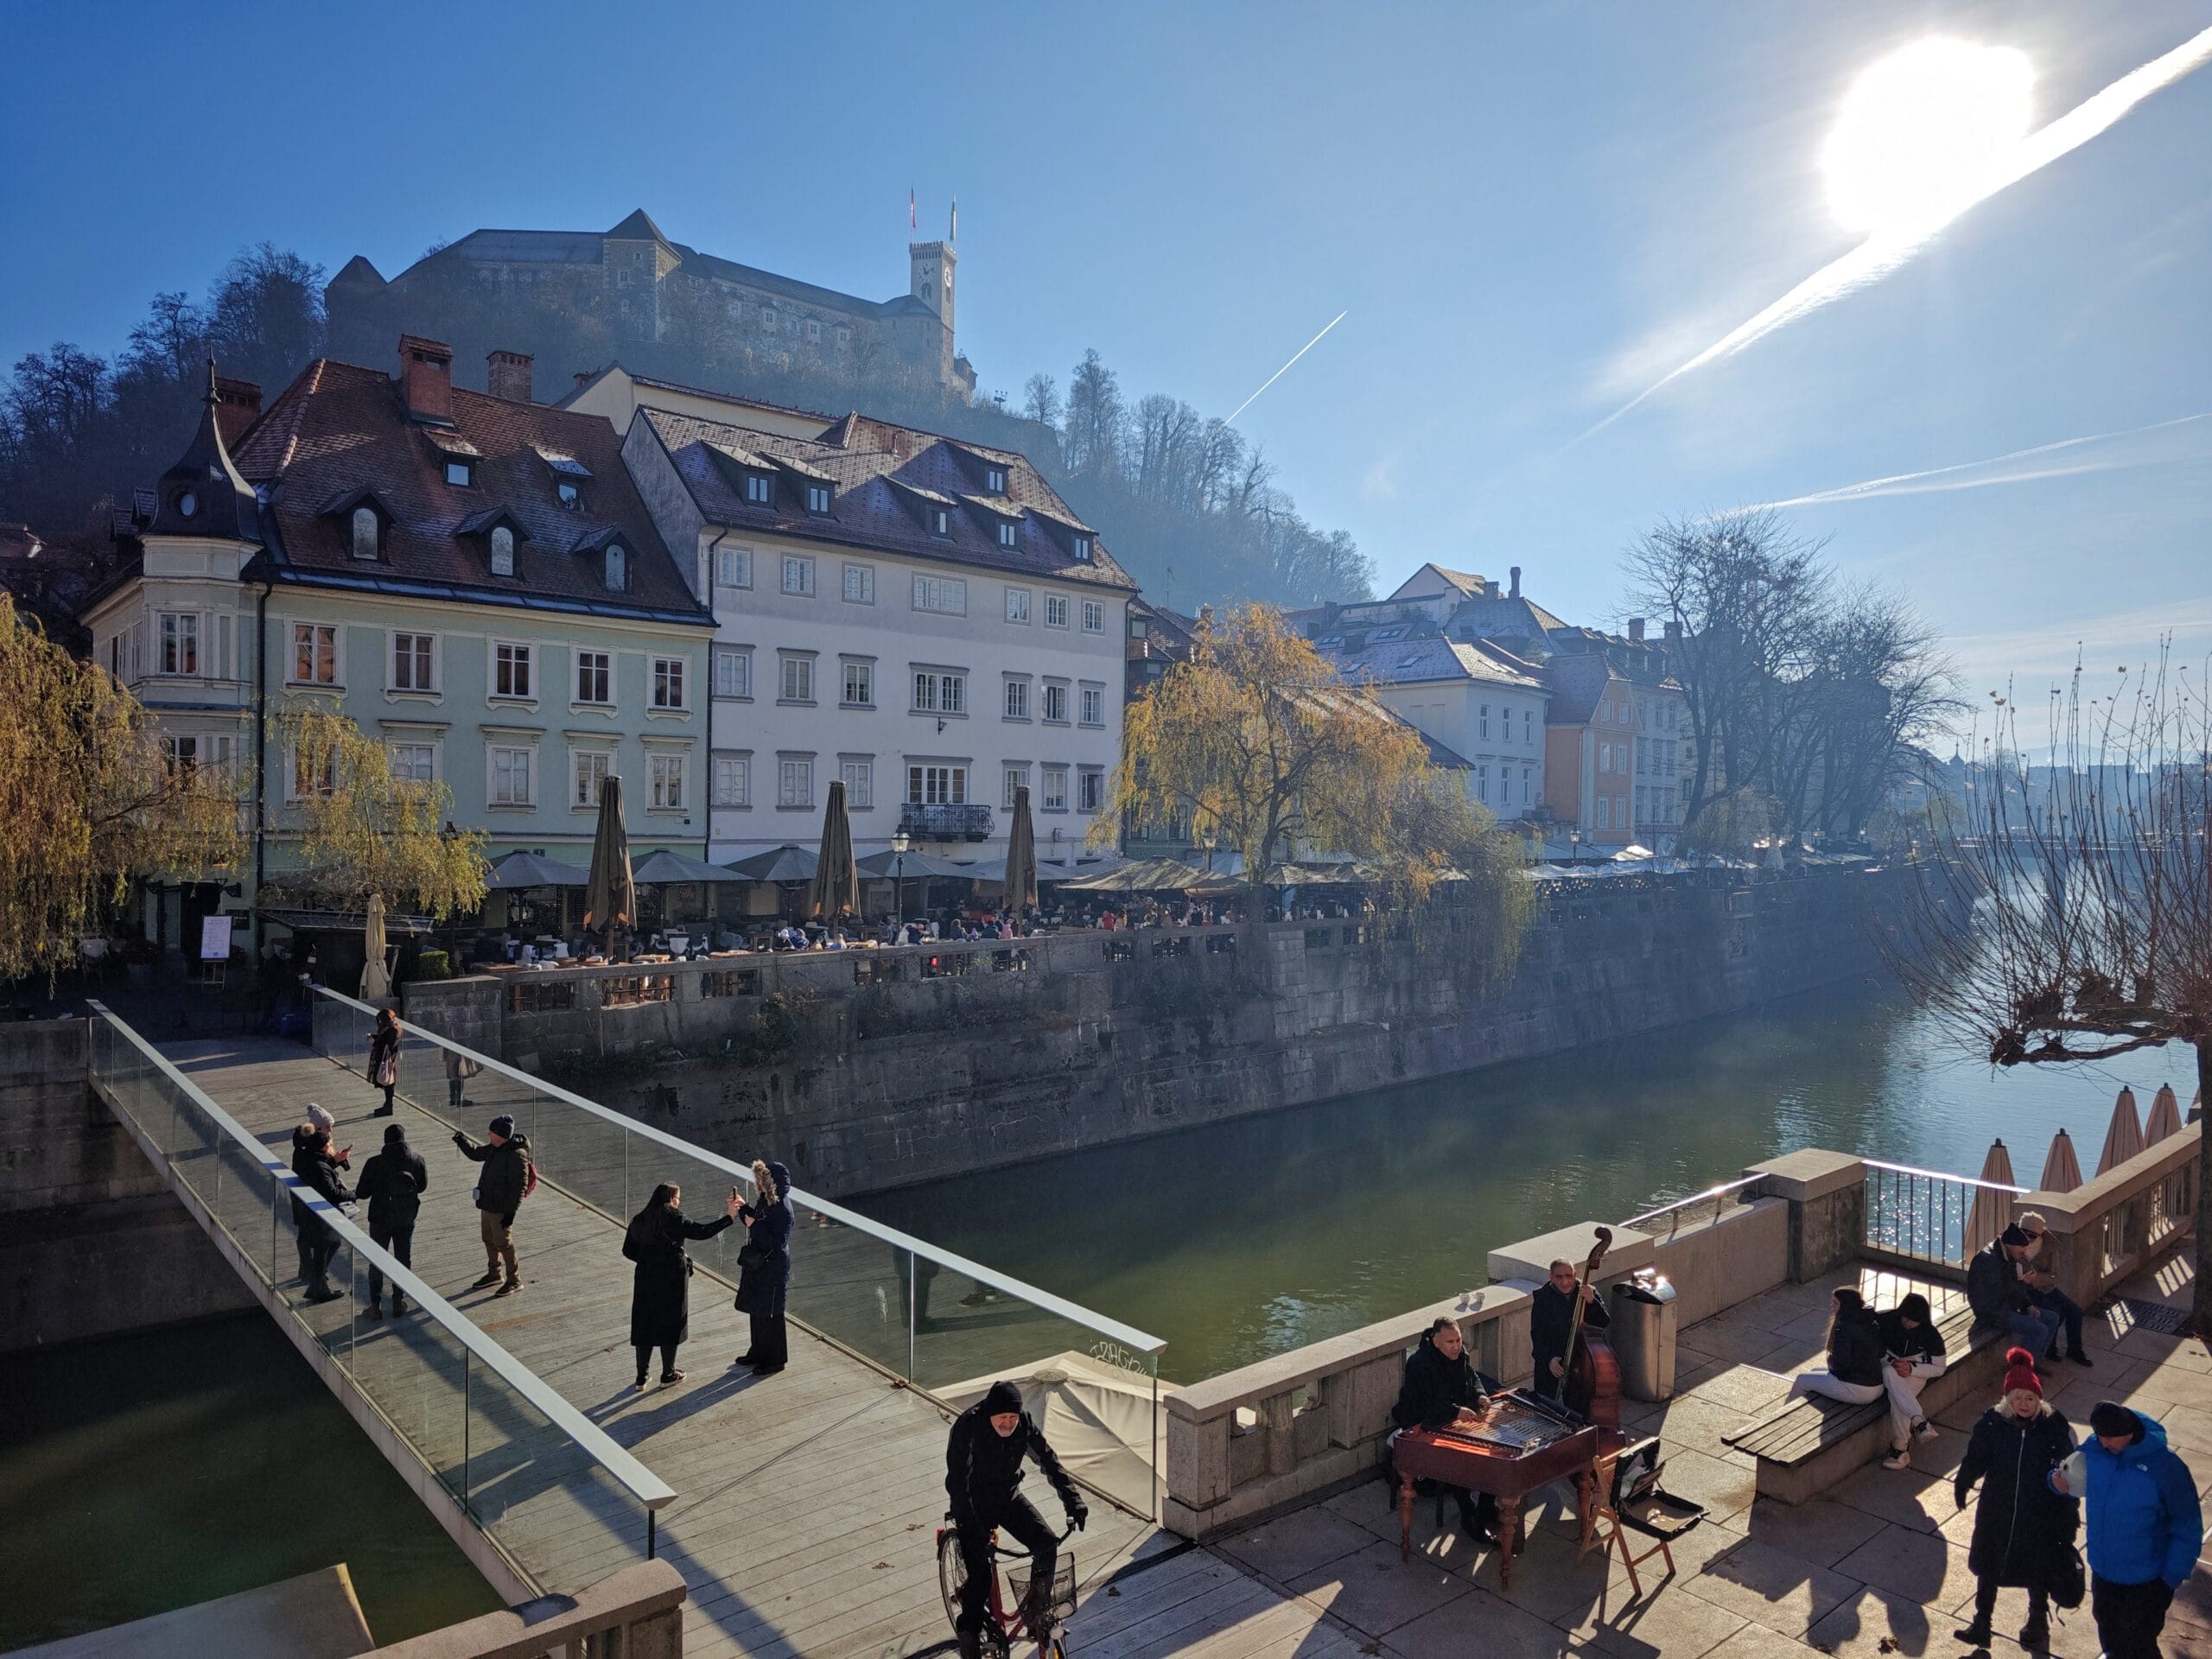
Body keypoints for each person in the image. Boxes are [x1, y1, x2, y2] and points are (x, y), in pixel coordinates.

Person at [945, 1379, 1088, 1656]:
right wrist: (972, 1528)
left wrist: (1073, 1500)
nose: (1008, 1423)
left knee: (1047, 1544)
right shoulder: (967, 1427)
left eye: (1013, 1417)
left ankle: (1037, 1615)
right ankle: (968, 1633)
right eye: (1002, 1417)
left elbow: (1047, 1459)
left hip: (1008, 1497)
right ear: (990, 1414)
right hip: (972, 1505)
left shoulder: (1023, 1423)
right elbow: (958, 1485)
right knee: (980, 1575)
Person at [2054, 1401, 2203, 1659]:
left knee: (2139, 1647)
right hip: (2104, 1574)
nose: (2104, 1443)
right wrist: (2056, 1482)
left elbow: (2187, 1527)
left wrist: (2170, 1578)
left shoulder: (2167, 1468)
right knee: (2111, 1641)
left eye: (2111, 1438)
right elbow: (2068, 1478)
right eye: (2100, 1436)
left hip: (2147, 1583)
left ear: (2130, 1432)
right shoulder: (2094, 1451)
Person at [1954, 1349, 2077, 1649]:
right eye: (2017, 1398)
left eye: (2030, 1398)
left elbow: (2068, 1472)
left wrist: (2067, 1513)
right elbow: (1976, 1457)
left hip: (2038, 1512)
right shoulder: (1992, 1424)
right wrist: (1964, 1481)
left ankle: (2037, 1621)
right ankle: (1982, 1624)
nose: (2024, 1404)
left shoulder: (2053, 1426)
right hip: (1997, 1509)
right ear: (2007, 1400)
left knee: (2037, 1569)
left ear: (2039, 1399)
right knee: (1988, 1567)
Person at [1389, 1318, 1502, 1542]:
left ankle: (1486, 1507)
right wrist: (1455, 1411)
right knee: (1459, 1457)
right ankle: (1469, 1514)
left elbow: (1472, 1376)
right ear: (1436, 1341)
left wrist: (1480, 1395)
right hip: (1425, 1424)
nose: (1456, 1346)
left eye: (1458, 1340)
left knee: (1494, 1450)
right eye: (1450, 1342)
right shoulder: (1419, 1364)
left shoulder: (1460, 1355)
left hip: (1453, 1419)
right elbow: (1423, 1404)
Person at [622, 1181, 738, 1389]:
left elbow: (628, 1251)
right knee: (670, 1322)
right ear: (670, 1199)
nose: (679, 1202)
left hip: (646, 1278)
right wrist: (729, 1217)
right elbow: (701, 1232)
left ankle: (642, 1377)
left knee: (645, 1323)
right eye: (677, 1198)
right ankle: (668, 1374)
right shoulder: (675, 1218)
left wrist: (648, 1260)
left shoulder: (640, 1219)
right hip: (672, 1279)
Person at [454, 1113, 533, 1297]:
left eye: (491, 1132)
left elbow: (519, 1188)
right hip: (487, 1204)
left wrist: (510, 1214)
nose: (488, 1134)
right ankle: (495, 1273)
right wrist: (462, 1141)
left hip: (502, 1209)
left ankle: (515, 1280)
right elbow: (476, 1154)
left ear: (501, 1135)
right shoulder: (495, 1147)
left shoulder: (516, 1156)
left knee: (504, 1244)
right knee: (489, 1240)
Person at [354, 1121, 428, 1319]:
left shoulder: (374, 1163)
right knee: (403, 1259)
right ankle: (398, 1302)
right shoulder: (417, 1160)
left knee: (377, 1260)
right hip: (405, 1217)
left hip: (380, 1218)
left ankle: (375, 1306)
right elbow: (422, 1187)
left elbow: (362, 1192)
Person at [734, 1158, 794, 1375]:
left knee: (772, 1313)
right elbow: (757, 1222)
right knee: (757, 1309)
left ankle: (775, 1360)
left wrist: (754, 1225)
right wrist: (743, 1208)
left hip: (773, 1267)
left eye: (763, 1178)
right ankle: (758, 1352)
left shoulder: (783, 1208)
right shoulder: (767, 1199)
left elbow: (778, 1242)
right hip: (760, 1263)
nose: (759, 1182)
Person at [1874, 1292, 1948, 1470]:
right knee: (1890, 1373)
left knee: (1898, 1397)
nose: (1907, 1322)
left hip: (1915, 1375)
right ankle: (1919, 1423)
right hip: (1888, 1367)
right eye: (1905, 1318)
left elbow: (1939, 1367)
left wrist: (1912, 1368)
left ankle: (1901, 1447)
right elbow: (1873, 1344)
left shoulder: (1931, 1335)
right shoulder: (1887, 1320)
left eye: (1913, 1320)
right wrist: (1892, 1362)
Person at [1786, 1286, 1887, 1413]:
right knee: (1814, 1371)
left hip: (1860, 1390)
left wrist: (1830, 1361)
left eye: (1835, 1303)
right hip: (1877, 1386)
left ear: (1846, 1306)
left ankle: (1783, 1417)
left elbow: (1841, 1363)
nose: (1832, 1306)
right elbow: (1881, 1352)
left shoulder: (1844, 1328)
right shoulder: (1870, 1322)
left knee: (1802, 1380)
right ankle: (1804, 1411)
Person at [290, 1112, 355, 1304]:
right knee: (327, 1243)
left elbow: (319, 1172)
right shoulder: (315, 1161)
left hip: (309, 1206)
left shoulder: (309, 1153)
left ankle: (316, 1282)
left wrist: (335, 1161)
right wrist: (353, 1194)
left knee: (324, 1243)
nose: (331, 1133)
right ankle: (317, 1283)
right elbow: (330, 1190)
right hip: (316, 1210)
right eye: (327, 1129)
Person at [1967, 1224, 2059, 1357]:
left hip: (2006, 1306)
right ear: (2010, 1245)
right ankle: (2022, 1366)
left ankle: (2034, 1360)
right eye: (2022, 1247)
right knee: (2039, 1330)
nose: (2024, 1251)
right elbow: (2001, 1292)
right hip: (1992, 1311)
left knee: (2052, 1318)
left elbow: (2012, 1287)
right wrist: (2025, 1283)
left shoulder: (2007, 1255)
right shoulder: (1987, 1260)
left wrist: (2029, 1305)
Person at [2016, 1212, 2091, 1368]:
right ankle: (2050, 1348)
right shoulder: (2013, 1243)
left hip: (2045, 1287)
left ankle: (2075, 1349)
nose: (2028, 1238)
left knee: (2075, 1311)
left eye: (2033, 1236)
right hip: (2026, 1291)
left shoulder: (2049, 1246)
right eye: (2024, 1233)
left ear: (2040, 1235)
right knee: (2055, 1312)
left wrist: (2037, 1279)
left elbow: (2055, 1275)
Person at [1530, 1256, 1611, 1396]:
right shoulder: (1542, 1297)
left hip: (1582, 1361)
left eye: (1569, 1276)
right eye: (1559, 1277)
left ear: (1575, 1275)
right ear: (1551, 1277)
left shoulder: (1588, 1291)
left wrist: (1591, 1301)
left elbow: (1604, 1321)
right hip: (1553, 1363)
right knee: (1547, 1400)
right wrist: (1549, 1359)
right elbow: (1538, 1335)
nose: (1565, 1282)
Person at [367, 1007, 402, 1116]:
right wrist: (375, 1037)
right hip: (391, 1059)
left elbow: (387, 1044)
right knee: (389, 1082)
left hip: (388, 1060)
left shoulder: (392, 1030)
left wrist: (373, 1042)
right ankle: (388, 1105)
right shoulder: (394, 1027)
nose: (379, 1022)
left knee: (388, 1082)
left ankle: (388, 1106)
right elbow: (384, 1039)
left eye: (380, 1020)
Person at [442, 1042, 481, 1114]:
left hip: (450, 1052)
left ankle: (453, 1098)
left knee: (453, 1076)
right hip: (457, 1051)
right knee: (458, 1075)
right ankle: (459, 1099)